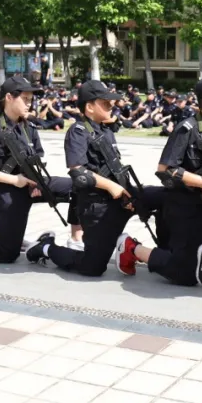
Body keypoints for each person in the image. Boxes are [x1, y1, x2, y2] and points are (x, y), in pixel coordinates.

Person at [115, 76, 202, 288]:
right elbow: (165, 170)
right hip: (181, 206)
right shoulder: (187, 128)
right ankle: (131, 248)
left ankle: (174, 258)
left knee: (194, 264)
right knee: (184, 275)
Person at [27, 80, 159, 276]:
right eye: (105, 103)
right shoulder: (78, 132)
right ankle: (46, 247)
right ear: (89, 107)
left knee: (165, 197)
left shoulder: (105, 130)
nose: (111, 106)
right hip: (98, 204)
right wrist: (112, 187)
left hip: (121, 196)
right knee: (93, 266)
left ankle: (166, 256)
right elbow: (78, 172)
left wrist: (126, 193)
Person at [0, 75, 74, 262]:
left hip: (32, 182)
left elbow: (38, 157)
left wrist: (35, 182)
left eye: (31, 99)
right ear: (9, 98)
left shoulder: (29, 128)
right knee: (7, 254)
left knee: (78, 187)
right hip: (7, 189)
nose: (29, 104)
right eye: (25, 99)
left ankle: (77, 239)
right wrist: (16, 180)